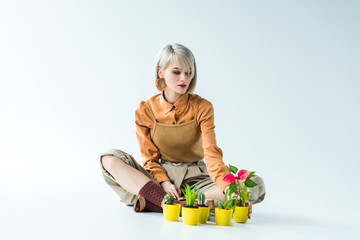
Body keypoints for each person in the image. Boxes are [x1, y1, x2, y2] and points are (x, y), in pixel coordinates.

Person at [100, 43, 265, 214]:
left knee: (253, 183)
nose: (184, 79)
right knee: (109, 159)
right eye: (177, 72)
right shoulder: (145, 110)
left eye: (189, 73)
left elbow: (212, 155)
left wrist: (227, 189)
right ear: (160, 72)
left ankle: (161, 203)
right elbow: (149, 159)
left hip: (198, 179)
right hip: (157, 179)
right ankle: (177, 203)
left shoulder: (203, 107)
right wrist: (164, 182)